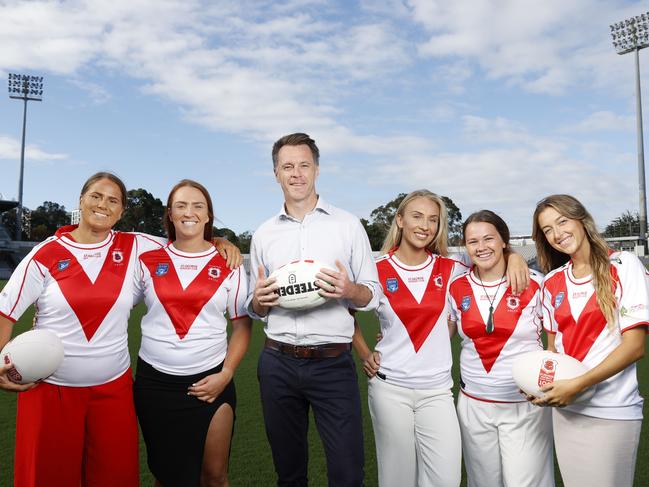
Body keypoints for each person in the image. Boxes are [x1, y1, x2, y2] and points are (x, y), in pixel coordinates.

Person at [0, 172, 241, 487]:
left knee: (115, 479)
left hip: (114, 391)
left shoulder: (136, 245)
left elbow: (188, 239)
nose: (103, 205)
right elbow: (5, 312)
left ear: (122, 210)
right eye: (96, 196)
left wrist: (221, 241)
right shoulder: (45, 254)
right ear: (81, 200)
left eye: (113, 200)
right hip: (52, 390)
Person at [352, 192, 530, 487]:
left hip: (437, 390)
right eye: (417, 217)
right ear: (400, 220)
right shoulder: (376, 268)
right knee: (397, 478)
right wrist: (364, 352)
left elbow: (488, 255)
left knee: (445, 478)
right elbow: (346, 311)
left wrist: (513, 257)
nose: (425, 226)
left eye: (433, 220)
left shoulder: (452, 266)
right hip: (389, 388)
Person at [247, 132, 381, 487]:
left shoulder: (347, 225)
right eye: (287, 166)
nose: (296, 174)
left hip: (332, 365)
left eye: (304, 165)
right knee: (289, 473)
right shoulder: (263, 234)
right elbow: (255, 307)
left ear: (317, 169)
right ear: (276, 173)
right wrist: (259, 300)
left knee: (347, 473)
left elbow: (373, 295)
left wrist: (349, 289)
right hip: (277, 362)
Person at [133, 179, 251, 487]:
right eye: (181, 206)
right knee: (167, 477)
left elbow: (242, 325)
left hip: (212, 380)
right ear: (170, 214)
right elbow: (113, 301)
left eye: (198, 206)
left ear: (209, 215)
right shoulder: (146, 258)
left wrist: (226, 374)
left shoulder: (230, 263)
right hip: (155, 385)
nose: (189, 212)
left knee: (214, 477)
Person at [531, 194, 648, 487]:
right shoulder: (552, 281)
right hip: (567, 411)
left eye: (562, 221)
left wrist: (579, 384)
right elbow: (553, 351)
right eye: (547, 229)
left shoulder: (623, 264)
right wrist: (539, 386)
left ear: (581, 220)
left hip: (612, 411)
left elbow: (635, 346)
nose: (557, 234)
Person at [447, 210, 554, 487]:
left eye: (488, 239)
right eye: (473, 242)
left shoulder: (536, 283)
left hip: (525, 406)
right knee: (482, 482)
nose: (481, 247)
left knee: (526, 483)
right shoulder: (456, 286)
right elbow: (443, 332)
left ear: (504, 241)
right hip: (474, 405)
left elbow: (558, 341)